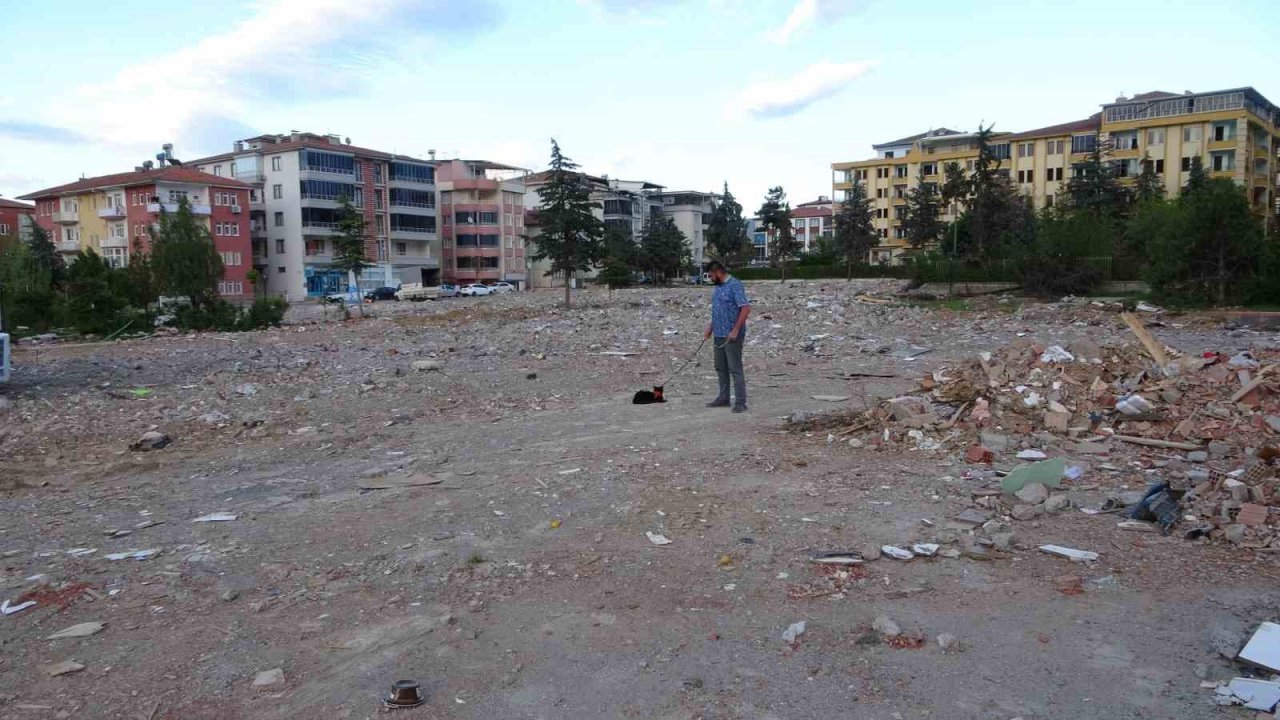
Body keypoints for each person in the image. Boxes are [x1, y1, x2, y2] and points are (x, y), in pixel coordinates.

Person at [703, 261, 751, 412]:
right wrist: (710, 328)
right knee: (720, 367)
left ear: (717, 272)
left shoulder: (735, 285)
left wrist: (735, 330)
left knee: (734, 368)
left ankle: (740, 402)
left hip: (732, 335)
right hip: (718, 333)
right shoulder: (718, 287)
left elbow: (745, 309)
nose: (710, 278)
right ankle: (723, 398)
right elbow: (718, 310)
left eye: (711, 275)